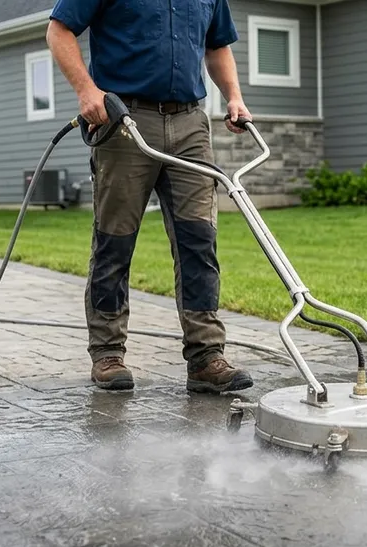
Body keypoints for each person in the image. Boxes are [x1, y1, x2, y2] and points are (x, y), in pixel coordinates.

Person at [47, 0, 254, 394]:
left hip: (191, 121)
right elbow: (59, 30)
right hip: (124, 119)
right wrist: (86, 90)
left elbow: (217, 46)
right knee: (115, 240)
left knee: (199, 240)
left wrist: (233, 96)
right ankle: (107, 353)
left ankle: (206, 357)